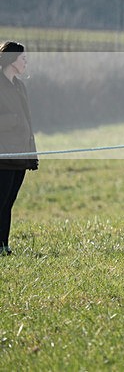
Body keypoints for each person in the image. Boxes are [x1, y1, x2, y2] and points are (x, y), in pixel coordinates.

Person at [0, 41, 38, 256]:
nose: (26, 62)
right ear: (12, 60)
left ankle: (3, 245)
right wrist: (10, 121)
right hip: (3, 153)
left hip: (20, 152)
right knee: (1, 200)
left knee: (8, 202)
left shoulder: (19, 86)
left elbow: (27, 121)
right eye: (23, 58)